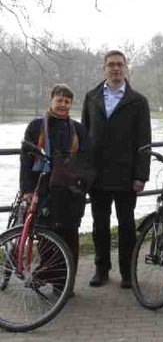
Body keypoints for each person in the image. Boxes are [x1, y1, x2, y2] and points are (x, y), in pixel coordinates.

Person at [82, 50, 151, 289]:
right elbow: (83, 137)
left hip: (126, 174)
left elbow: (144, 141)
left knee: (127, 226)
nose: (115, 69)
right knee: (99, 225)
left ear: (126, 68)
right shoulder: (91, 98)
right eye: (111, 65)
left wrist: (141, 175)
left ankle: (128, 273)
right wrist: (84, 171)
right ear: (104, 68)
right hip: (97, 175)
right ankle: (101, 270)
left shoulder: (138, 101)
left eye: (120, 65)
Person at [20, 84, 90, 295]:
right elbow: (25, 158)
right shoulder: (36, 127)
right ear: (51, 100)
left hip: (70, 190)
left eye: (67, 101)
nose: (63, 105)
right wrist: (27, 189)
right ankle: (47, 274)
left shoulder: (78, 129)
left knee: (70, 235)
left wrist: (83, 186)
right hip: (43, 187)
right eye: (59, 100)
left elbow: (86, 161)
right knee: (46, 234)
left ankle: (64, 285)